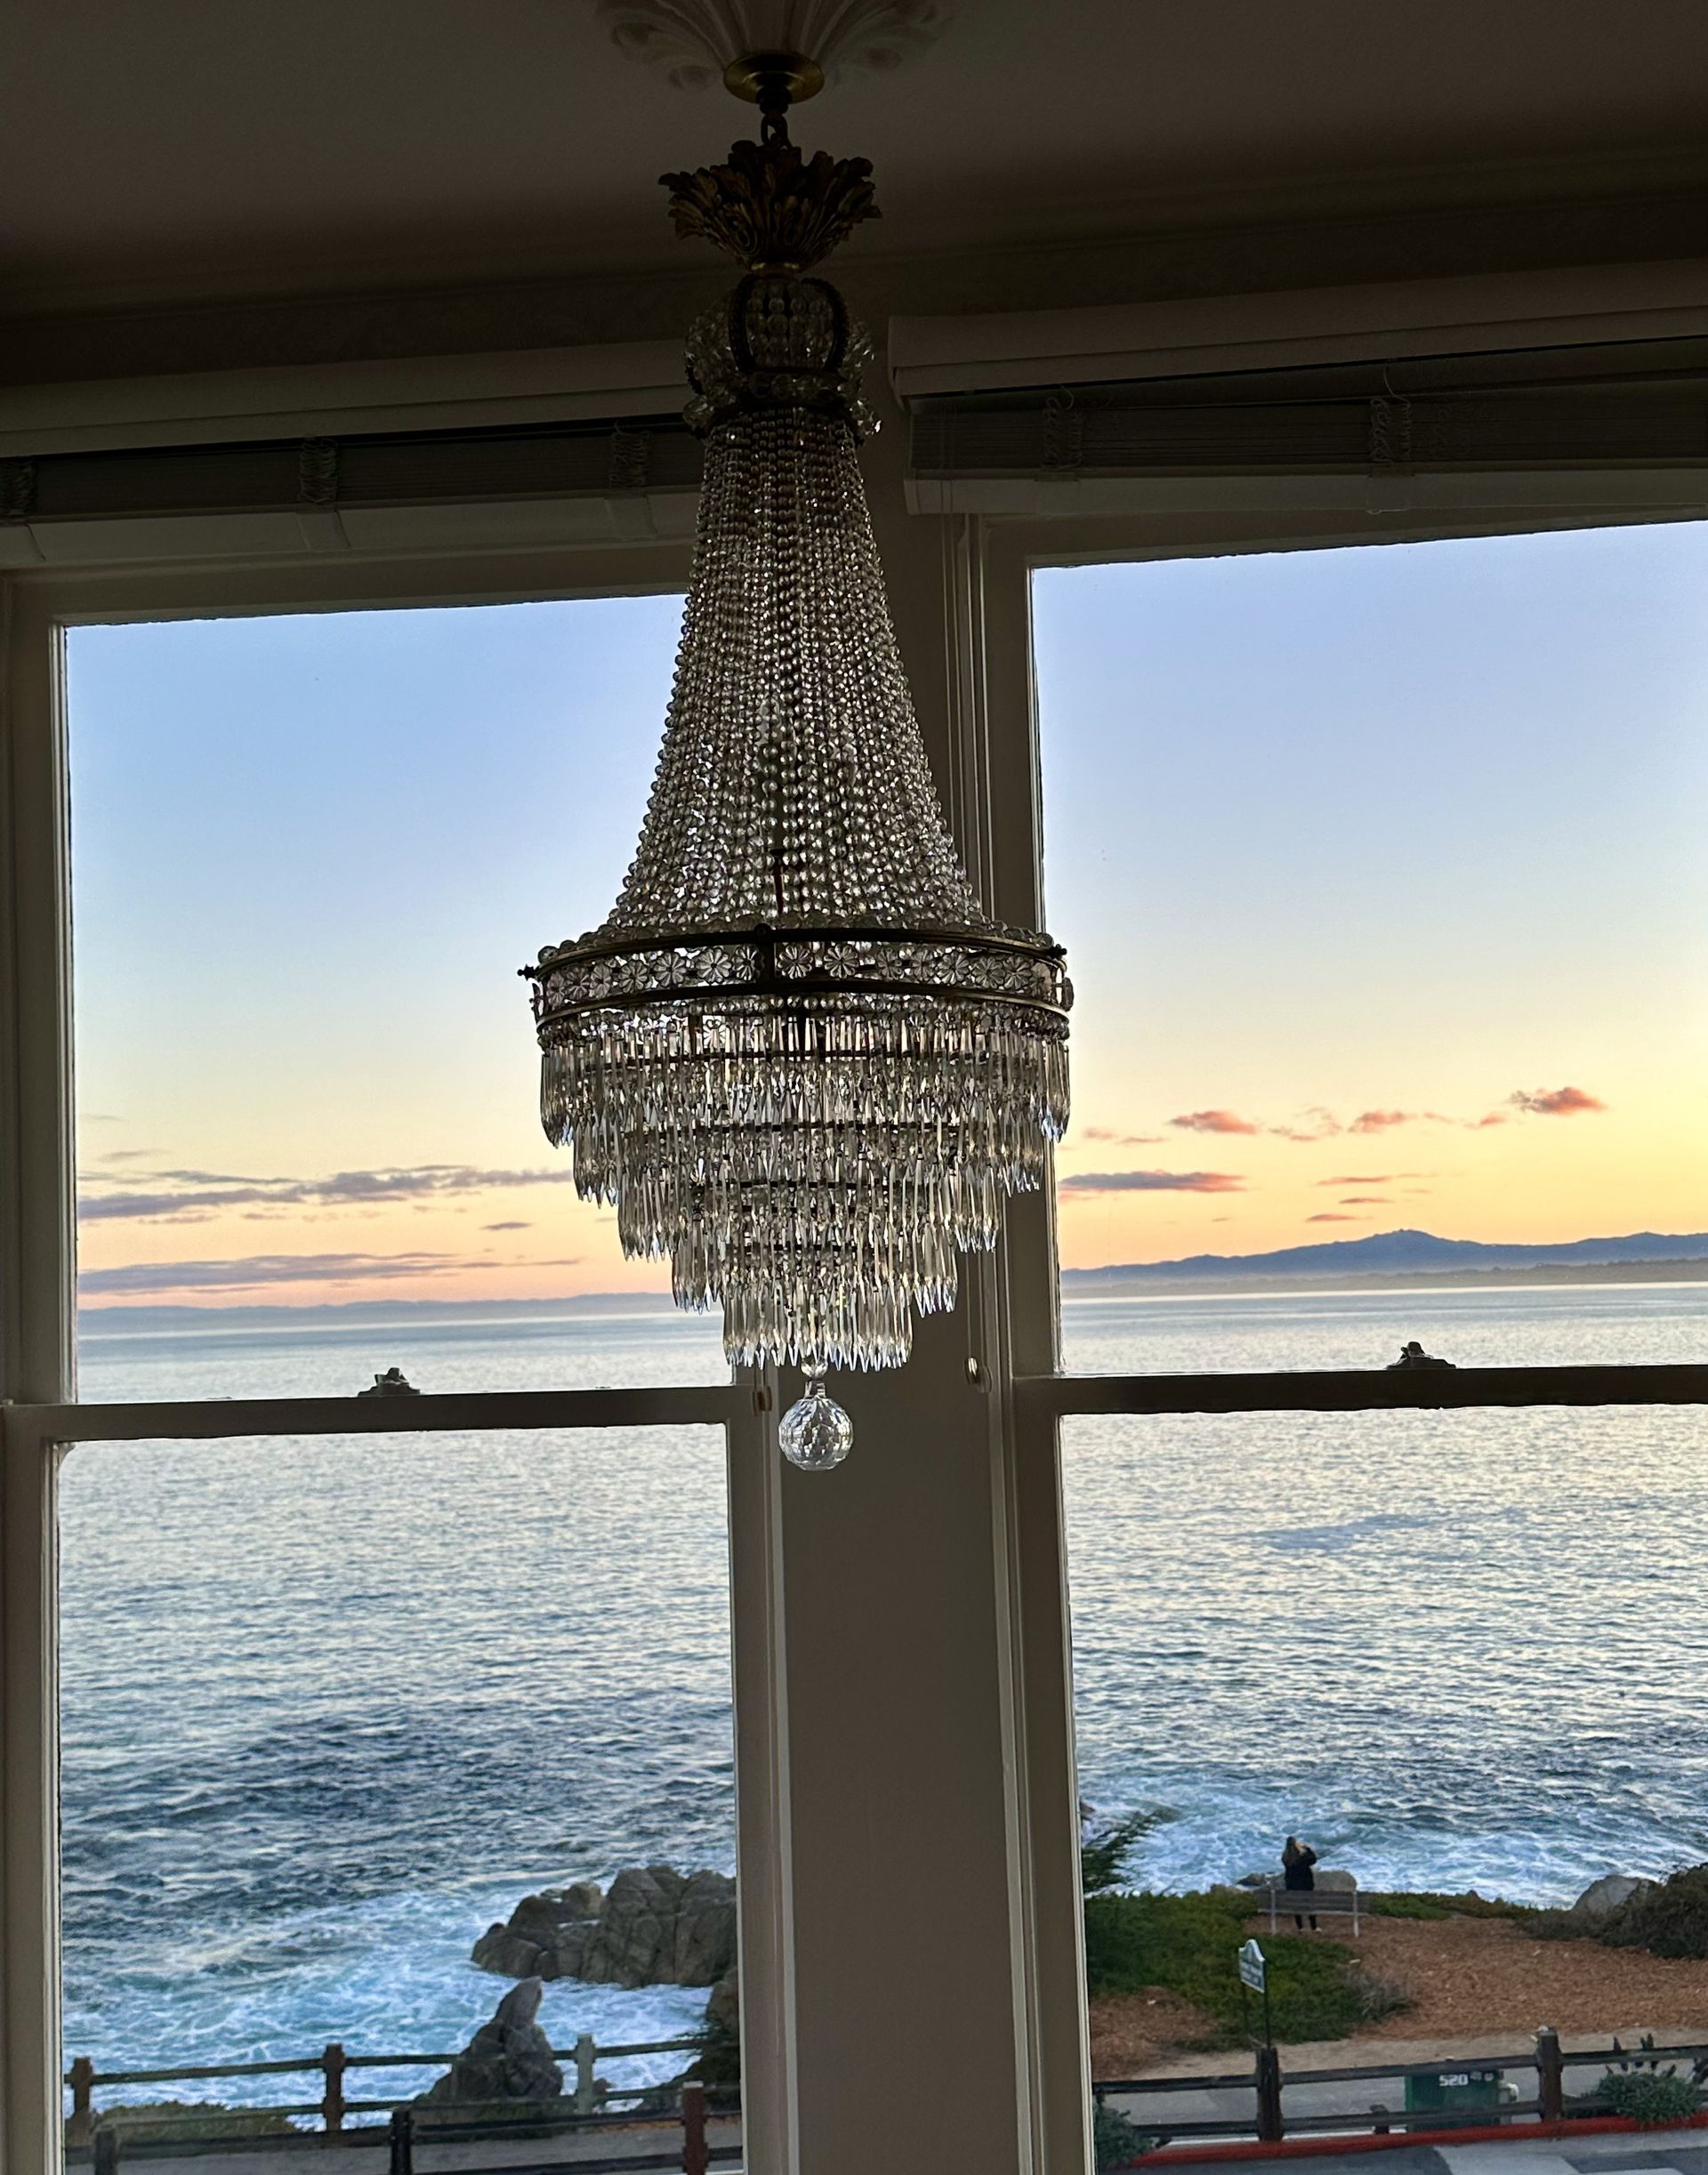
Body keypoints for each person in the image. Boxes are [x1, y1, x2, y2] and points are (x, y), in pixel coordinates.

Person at [1282, 1835, 1318, 1930]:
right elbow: (1314, 1859)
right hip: (1306, 1885)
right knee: (1310, 1905)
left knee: (1297, 1906)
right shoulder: (1302, 1858)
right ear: (1295, 1844)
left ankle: (1300, 1927)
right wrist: (1307, 1848)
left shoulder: (1285, 1858)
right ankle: (1313, 1927)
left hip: (1292, 1886)